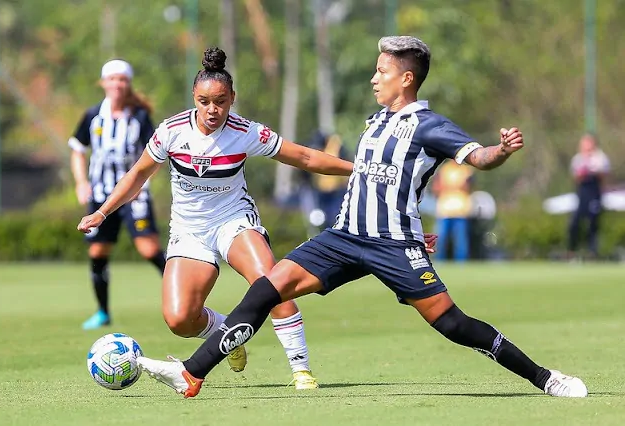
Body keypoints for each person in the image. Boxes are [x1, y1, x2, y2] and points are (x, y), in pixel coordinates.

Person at [133, 36, 588, 399]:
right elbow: (376, 182)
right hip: (344, 237)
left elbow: (478, 158)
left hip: (393, 246)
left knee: (454, 325)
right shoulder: (375, 121)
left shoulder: (429, 126)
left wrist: (501, 151)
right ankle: (190, 375)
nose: (374, 78)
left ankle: (546, 378)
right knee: (265, 291)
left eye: (382, 71)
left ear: (406, 79)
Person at [78, 47, 359, 389]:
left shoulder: (245, 131)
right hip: (189, 230)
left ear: (232, 98)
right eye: (204, 101)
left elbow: (303, 157)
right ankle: (228, 336)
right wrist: (102, 211)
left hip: (234, 221)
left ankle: (301, 370)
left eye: (221, 101)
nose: (213, 110)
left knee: (271, 283)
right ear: (194, 98)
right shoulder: (171, 131)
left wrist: (358, 169)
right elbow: (137, 175)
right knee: (180, 319)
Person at [69, 59, 166, 330]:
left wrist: (141, 184)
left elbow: (156, 155)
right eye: (112, 79)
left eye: (122, 79)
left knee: (149, 249)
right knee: (98, 251)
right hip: (101, 194)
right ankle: (102, 312)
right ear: (103, 83)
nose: (117, 84)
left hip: (135, 196)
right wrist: (80, 182)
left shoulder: (140, 117)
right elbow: (77, 149)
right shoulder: (92, 116)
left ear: (128, 84)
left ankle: (181, 298)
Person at [568, 133, 610, 259]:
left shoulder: (600, 157)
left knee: (593, 222)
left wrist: (592, 171)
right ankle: (572, 250)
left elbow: (604, 176)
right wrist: (581, 173)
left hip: (594, 193)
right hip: (582, 193)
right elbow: (575, 177)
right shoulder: (578, 158)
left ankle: (592, 252)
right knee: (575, 222)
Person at [431, 160, 474, 262]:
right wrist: (456, 185)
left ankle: (461, 265)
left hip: (461, 211)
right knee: (440, 239)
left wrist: (449, 185)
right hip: (444, 210)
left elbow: (467, 187)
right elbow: (437, 187)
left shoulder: (467, 170)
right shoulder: (444, 170)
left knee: (460, 241)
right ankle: (439, 262)